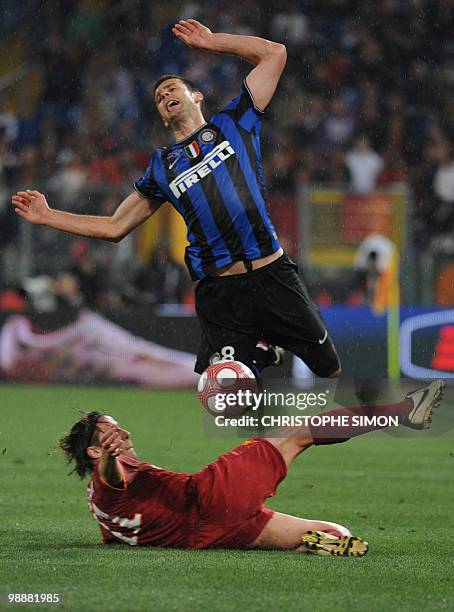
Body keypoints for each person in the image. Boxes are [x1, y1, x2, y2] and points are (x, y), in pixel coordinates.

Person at [12, 19, 339, 381]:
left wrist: (213, 42)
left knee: (329, 368)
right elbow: (115, 227)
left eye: (172, 88)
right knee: (228, 398)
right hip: (222, 291)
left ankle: (263, 350)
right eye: (158, 97)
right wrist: (48, 215)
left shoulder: (235, 122)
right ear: (162, 116)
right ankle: (257, 357)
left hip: (272, 273)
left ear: (196, 96)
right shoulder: (161, 167)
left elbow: (274, 54)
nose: (165, 95)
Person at [59, 380, 444, 554]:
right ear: (95, 452)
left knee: (335, 532)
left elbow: (116, 527)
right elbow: (114, 480)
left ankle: (320, 538)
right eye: (112, 433)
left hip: (209, 537)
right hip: (210, 498)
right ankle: (403, 412)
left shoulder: (101, 509)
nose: (123, 433)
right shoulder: (110, 476)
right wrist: (110, 459)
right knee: (298, 433)